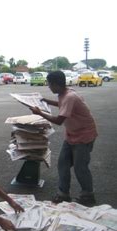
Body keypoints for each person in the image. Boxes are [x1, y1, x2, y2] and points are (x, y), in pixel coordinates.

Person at [30, 70, 97, 206]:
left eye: (49, 84)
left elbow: (59, 120)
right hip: (72, 134)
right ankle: (63, 194)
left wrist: (39, 113)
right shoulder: (64, 93)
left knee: (80, 167)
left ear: (55, 84)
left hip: (84, 136)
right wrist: (45, 101)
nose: (48, 86)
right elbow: (62, 104)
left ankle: (88, 195)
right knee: (63, 164)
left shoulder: (70, 97)